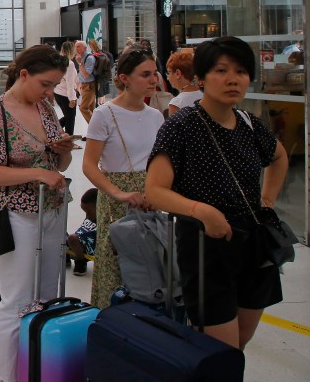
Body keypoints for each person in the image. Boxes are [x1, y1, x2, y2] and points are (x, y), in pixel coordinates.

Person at [146, 37, 287, 350]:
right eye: (221, 70)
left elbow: (279, 157)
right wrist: (202, 211)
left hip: (254, 242)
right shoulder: (181, 126)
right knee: (220, 348)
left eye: (241, 71)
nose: (233, 79)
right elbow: (155, 191)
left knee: (240, 342)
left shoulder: (250, 124)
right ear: (201, 78)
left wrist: (267, 200)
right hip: (206, 245)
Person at [0, 45, 75, 382]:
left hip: (53, 208)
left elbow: (58, 165)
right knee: (17, 300)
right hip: (18, 213)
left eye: (54, 86)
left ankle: (38, 368)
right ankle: (6, 374)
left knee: (48, 296)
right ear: (24, 74)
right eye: (45, 84)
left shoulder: (46, 108)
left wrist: (61, 154)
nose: (49, 92)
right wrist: (38, 174)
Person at [81, 46, 163, 308]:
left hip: (151, 196)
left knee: (150, 263)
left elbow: (160, 162)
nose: (154, 80)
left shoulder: (156, 116)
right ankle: (112, 323)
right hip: (118, 199)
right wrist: (118, 193)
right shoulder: (104, 114)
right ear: (125, 79)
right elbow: (90, 165)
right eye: (146, 74)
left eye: (155, 73)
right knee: (115, 262)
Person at [67, 188, 98, 276]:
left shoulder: (102, 220)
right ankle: (66, 258)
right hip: (79, 241)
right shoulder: (90, 215)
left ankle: (80, 261)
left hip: (90, 247)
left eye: (88, 211)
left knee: (72, 238)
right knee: (62, 235)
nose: (87, 215)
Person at [166, 48, 202, 116]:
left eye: (169, 72)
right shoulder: (204, 96)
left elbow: (174, 126)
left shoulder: (176, 103)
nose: (168, 78)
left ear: (178, 73)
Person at [53, 40, 78, 134]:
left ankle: (52, 130)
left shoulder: (58, 60)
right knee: (70, 119)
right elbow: (70, 83)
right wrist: (72, 98)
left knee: (68, 117)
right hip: (65, 94)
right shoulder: (69, 63)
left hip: (58, 92)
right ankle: (67, 139)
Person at [76, 40, 97, 123]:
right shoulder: (81, 57)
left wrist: (80, 63)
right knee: (92, 109)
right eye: (76, 47)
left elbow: (86, 75)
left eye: (78, 47)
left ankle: (95, 126)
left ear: (84, 48)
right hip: (85, 85)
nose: (76, 49)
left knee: (83, 108)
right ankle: (95, 130)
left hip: (90, 85)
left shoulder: (89, 58)